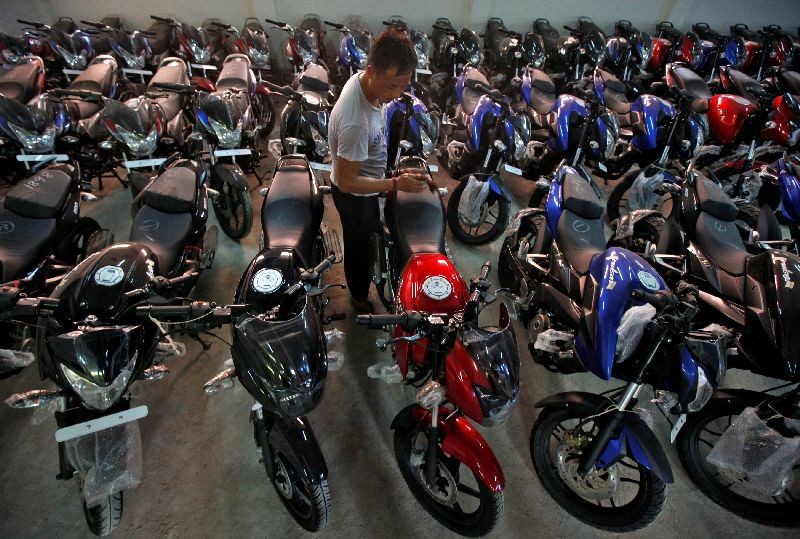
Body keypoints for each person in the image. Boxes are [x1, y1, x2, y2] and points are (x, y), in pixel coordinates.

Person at [328, 28, 430, 313]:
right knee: (358, 246)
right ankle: (359, 298)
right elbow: (347, 182)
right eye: (392, 86)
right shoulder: (355, 121)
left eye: (403, 86)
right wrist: (395, 184)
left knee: (372, 233)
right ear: (372, 71)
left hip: (370, 180)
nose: (397, 94)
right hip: (354, 196)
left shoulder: (367, 83)